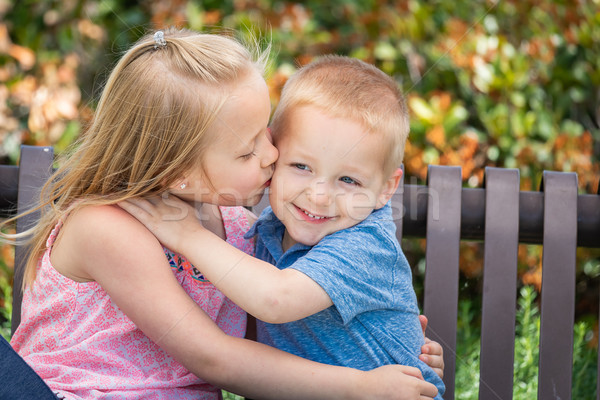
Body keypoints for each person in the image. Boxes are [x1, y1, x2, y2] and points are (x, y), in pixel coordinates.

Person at [4, 28, 441, 400]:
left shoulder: (238, 229)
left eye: (267, 132)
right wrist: (359, 385)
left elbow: (268, 335)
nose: (272, 155)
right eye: (248, 149)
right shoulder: (108, 227)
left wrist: (386, 342)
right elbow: (215, 357)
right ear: (178, 173)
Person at [119, 55, 445, 398]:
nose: (319, 196)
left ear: (385, 189)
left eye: (348, 180)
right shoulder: (268, 231)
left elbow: (276, 299)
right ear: (274, 153)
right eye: (301, 166)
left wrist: (187, 234)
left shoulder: (365, 244)